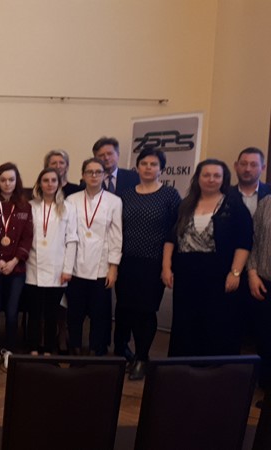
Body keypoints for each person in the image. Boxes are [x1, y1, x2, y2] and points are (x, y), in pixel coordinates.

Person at [165, 159, 252, 357]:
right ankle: (183, 365)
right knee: (186, 321)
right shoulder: (185, 205)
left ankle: (213, 368)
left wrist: (235, 273)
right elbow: (170, 238)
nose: (211, 179)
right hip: (186, 274)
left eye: (216, 176)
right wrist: (166, 267)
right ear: (198, 178)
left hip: (219, 274)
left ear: (223, 179)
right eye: (206, 175)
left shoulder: (234, 206)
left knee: (216, 322)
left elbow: (244, 242)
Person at [114, 149, 180, 380]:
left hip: (153, 264)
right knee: (124, 309)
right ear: (137, 167)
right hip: (126, 262)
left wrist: (167, 266)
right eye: (144, 163)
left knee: (145, 312)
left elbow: (174, 232)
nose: (148, 167)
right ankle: (123, 353)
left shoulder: (170, 195)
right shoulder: (125, 195)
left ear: (161, 169)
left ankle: (142, 358)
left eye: (154, 164)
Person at [66, 158, 122, 356]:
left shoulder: (114, 201)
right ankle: (74, 349)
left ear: (105, 175)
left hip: (101, 267)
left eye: (98, 172)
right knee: (75, 312)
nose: (94, 175)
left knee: (99, 313)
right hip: (75, 264)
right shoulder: (71, 200)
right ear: (83, 175)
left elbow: (116, 236)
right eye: (89, 172)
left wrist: (113, 267)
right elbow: (68, 234)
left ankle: (96, 351)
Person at [24, 168, 78, 356]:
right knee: (34, 312)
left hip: (57, 268)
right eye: (45, 180)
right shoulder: (30, 206)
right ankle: (33, 347)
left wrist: (68, 269)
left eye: (53, 180)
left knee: (52, 313)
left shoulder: (68, 208)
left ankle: (48, 348)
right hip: (33, 266)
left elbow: (72, 239)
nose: (49, 184)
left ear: (59, 183)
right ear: (39, 184)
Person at [0, 162, 33, 369]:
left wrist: (14, 261)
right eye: (3, 180)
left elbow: (27, 238)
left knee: (12, 311)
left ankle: (9, 350)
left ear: (17, 181)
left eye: (11, 180)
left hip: (16, 268)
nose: (7, 184)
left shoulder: (25, 206)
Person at [248, 194, 271, 404]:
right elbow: (254, 241)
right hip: (264, 282)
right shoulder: (265, 203)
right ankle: (266, 387)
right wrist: (253, 273)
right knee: (265, 338)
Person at [231, 147, 270, 217]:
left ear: (263, 168)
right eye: (243, 164)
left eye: (253, 165)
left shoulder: (269, 192)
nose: (247, 169)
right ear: (236, 166)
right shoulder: (225, 195)